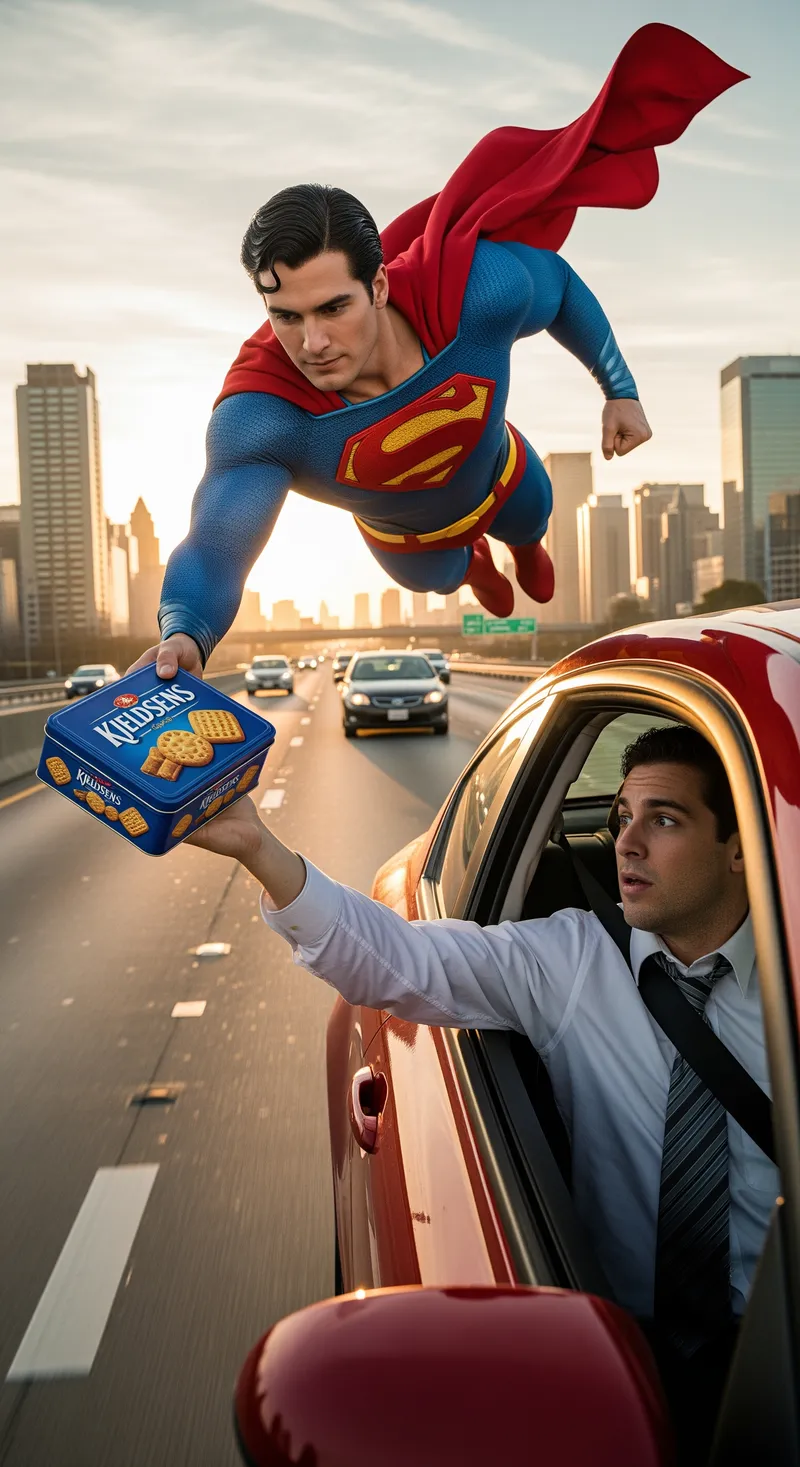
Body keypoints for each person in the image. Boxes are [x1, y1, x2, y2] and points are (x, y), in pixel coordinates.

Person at [187, 724, 777, 1463]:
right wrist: (257, 849)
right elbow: (395, 961)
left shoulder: (788, 983)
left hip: (777, 1346)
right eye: (622, 817)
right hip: (621, 1358)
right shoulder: (568, 960)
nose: (626, 843)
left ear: (739, 847)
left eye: (663, 819)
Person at [130, 25, 746, 683]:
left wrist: (618, 387)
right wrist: (185, 631)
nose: (311, 343)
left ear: (379, 284)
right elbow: (219, 542)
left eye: (333, 308)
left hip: (501, 474)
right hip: (407, 541)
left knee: (532, 514)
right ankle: (476, 563)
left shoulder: (473, 293)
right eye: (285, 316)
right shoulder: (261, 416)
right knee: (446, 576)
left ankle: (520, 545)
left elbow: (560, 285)